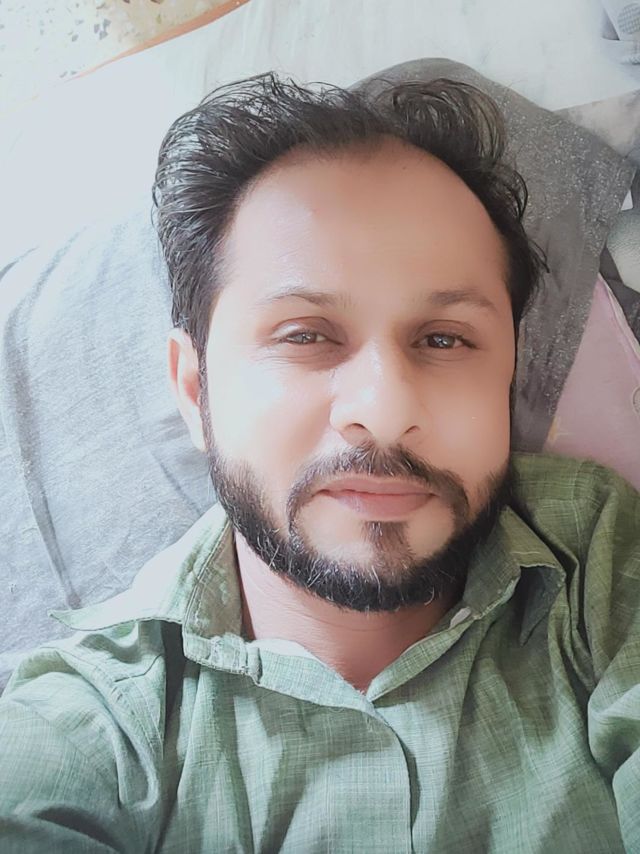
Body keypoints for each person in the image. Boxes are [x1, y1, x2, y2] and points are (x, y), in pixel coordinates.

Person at [0, 72, 638, 854]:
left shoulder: (596, 553)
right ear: (195, 390)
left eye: (444, 339)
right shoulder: (88, 726)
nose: (385, 409)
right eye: (305, 335)